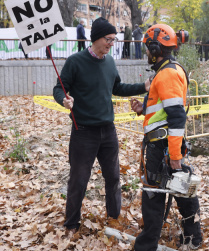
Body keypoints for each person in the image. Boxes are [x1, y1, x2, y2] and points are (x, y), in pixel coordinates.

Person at [53, 17, 150, 233]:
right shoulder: (75, 61)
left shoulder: (109, 62)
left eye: (114, 40)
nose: (112, 44)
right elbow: (59, 88)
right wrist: (64, 99)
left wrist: (143, 87)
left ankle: (114, 219)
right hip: (83, 132)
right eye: (109, 39)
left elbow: (117, 87)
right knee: (79, 180)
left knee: (114, 177)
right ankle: (71, 224)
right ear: (96, 38)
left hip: (108, 131)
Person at [118, 24, 202, 251]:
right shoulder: (166, 71)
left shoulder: (166, 74)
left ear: (155, 49)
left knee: (152, 200)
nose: (146, 51)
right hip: (165, 144)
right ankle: (193, 236)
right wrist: (144, 109)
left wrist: (174, 155)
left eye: (147, 47)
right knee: (180, 187)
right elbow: (166, 109)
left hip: (162, 147)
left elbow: (177, 117)